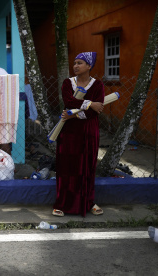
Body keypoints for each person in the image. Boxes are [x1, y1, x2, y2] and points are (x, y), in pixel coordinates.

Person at [52, 52, 104, 217]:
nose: (75, 66)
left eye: (80, 63)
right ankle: (62, 203)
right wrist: (90, 103)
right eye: (74, 63)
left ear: (89, 66)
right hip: (69, 132)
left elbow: (97, 110)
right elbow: (69, 102)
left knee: (88, 166)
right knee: (67, 166)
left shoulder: (98, 86)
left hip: (89, 131)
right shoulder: (67, 83)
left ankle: (89, 202)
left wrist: (74, 114)